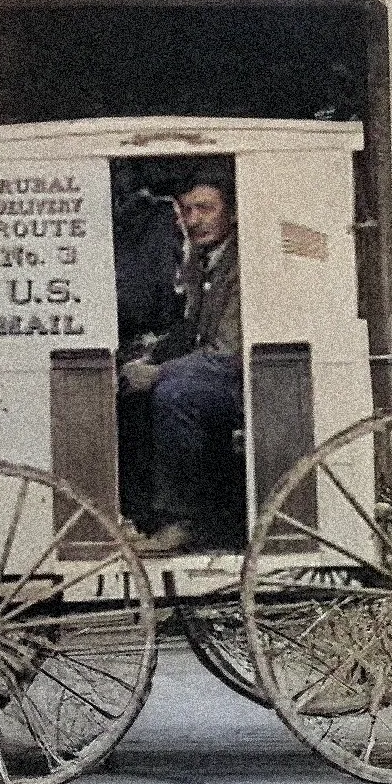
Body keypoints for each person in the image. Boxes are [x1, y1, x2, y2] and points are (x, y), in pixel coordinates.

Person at [119, 168, 243, 555]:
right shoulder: (203, 259)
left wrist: (158, 372)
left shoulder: (242, 260)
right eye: (187, 211)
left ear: (232, 212)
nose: (194, 221)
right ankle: (141, 515)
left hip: (248, 378)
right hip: (220, 373)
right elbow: (192, 328)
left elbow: (227, 350)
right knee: (129, 397)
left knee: (175, 396)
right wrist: (149, 353)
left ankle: (183, 521)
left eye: (205, 209)